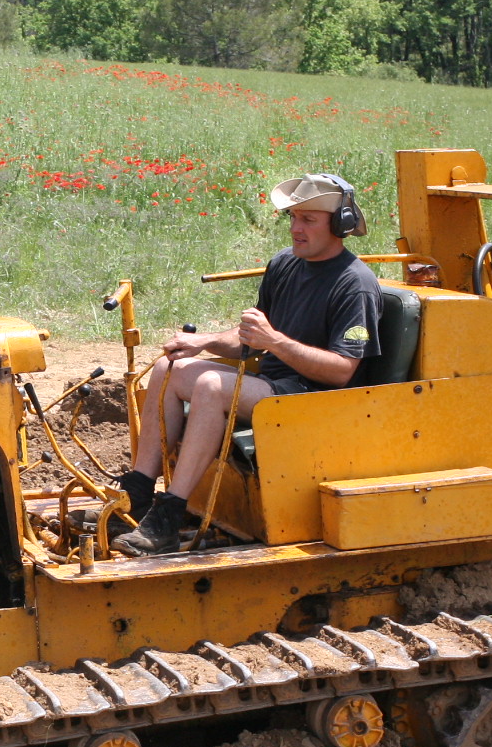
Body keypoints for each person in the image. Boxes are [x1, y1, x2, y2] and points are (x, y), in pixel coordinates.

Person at [115, 172, 382, 556]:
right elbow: (249, 340)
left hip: (317, 399)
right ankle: (138, 494)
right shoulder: (285, 265)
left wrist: (273, 341)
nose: (295, 229)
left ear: (339, 224)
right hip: (273, 387)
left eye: (308, 220)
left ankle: (169, 518)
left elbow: (342, 371)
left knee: (212, 386)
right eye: (292, 218)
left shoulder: (354, 284)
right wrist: (202, 342)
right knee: (169, 368)